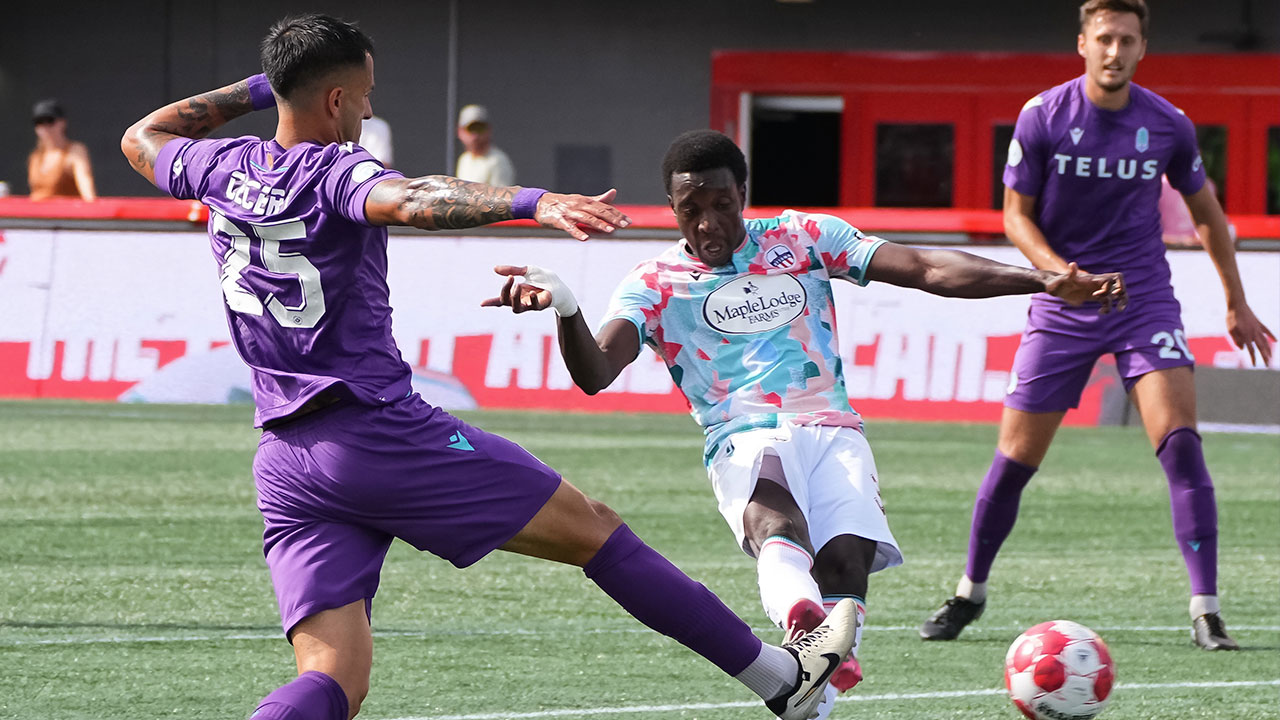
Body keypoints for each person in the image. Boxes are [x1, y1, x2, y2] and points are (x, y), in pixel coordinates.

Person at [119, 15, 858, 720]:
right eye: (366, 93)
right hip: (377, 434)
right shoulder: (335, 172)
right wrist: (531, 201)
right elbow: (412, 199)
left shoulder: (217, 166)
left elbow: (141, 136)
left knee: (333, 677)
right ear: (337, 98)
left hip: (286, 459)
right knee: (597, 533)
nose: (370, 108)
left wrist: (265, 86)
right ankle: (781, 681)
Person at [481, 129, 1125, 715]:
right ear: (673, 208)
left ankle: (809, 696)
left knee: (848, 561)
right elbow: (596, 372)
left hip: (833, 428)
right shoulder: (653, 282)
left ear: (744, 195)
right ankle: (801, 622)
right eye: (691, 209)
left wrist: (1041, 281)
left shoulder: (804, 239)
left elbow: (928, 268)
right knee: (776, 524)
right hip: (742, 434)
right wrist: (566, 308)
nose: (709, 222)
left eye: (723, 204)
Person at [919, 0, 1274, 651]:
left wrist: (1236, 301)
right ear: (1082, 43)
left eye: (1128, 40)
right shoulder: (1043, 115)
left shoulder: (1168, 124)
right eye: (1104, 38)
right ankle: (969, 592)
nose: (1115, 51)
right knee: (1015, 460)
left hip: (1144, 304)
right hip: (1063, 306)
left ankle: (1206, 610)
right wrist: (1060, 273)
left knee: (1183, 447)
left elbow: (1208, 216)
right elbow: (1015, 218)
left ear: (1143, 48)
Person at [28, 99, 96, 201]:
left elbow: (87, 190)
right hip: (38, 214)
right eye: (39, 122)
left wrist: (92, 208)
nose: (45, 128)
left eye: (50, 121)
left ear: (62, 123)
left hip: (64, 215)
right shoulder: (35, 157)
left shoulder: (75, 151)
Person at [455, 103, 515, 185]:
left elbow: (501, 196)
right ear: (460, 132)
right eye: (470, 129)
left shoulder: (498, 161)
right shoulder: (464, 159)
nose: (475, 135)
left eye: (479, 128)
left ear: (489, 130)